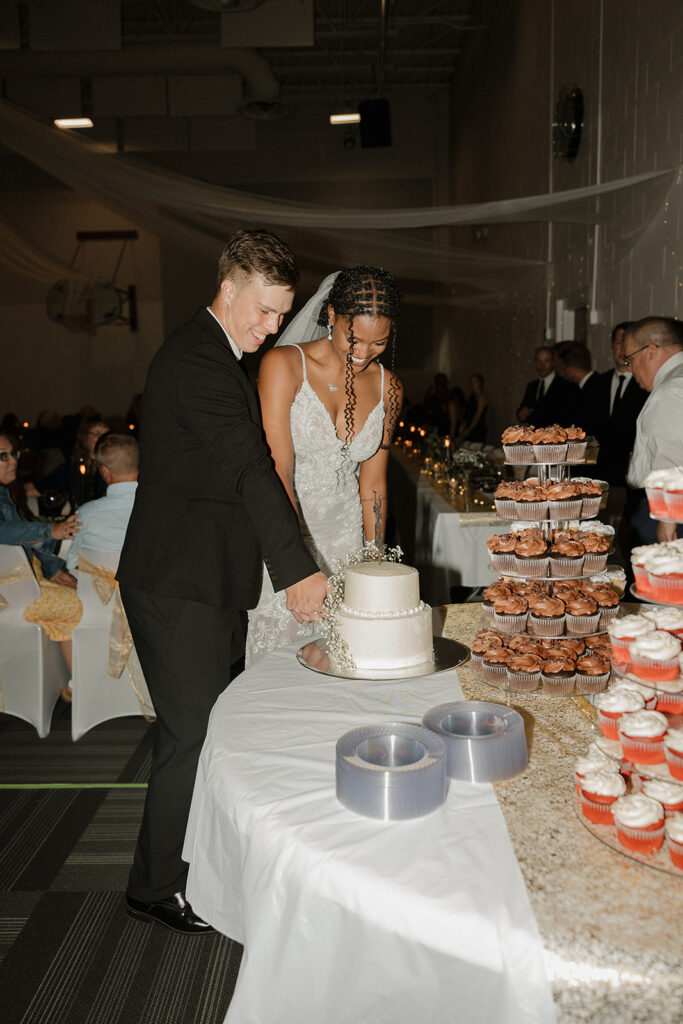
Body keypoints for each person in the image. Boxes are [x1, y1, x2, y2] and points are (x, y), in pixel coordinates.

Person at [116, 229, 328, 935]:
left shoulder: (210, 352)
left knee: (201, 731)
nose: (270, 328)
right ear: (228, 287)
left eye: (280, 314)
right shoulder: (199, 361)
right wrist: (296, 570)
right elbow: (249, 469)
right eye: (263, 311)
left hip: (199, 576)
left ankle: (184, 863)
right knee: (192, 735)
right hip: (178, 582)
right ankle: (154, 887)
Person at [246, 266, 403, 665]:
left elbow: (373, 484)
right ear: (331, 314)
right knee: (280, 662)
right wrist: (295, 567)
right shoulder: (283, 366)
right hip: (287, 536)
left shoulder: (391, 388)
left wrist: (373, 558)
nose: (364, 354)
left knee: (345, 660)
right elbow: (277, 470)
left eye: (379, 344)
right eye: (355, 340)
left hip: (347, 538)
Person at [0, 432, 81, 690]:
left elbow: (18, 542)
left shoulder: (4, 494)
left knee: (75, 596)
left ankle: (70, 685)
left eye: (14, 454)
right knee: (80, 604)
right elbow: (5, 532)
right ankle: (77, 686)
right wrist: (50, 531)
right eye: (3, 456)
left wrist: (53, 568)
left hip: (18, 586)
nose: (13, 461)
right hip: (9, 595)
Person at [624, 316, 683, 544]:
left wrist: (667, 519)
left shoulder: (671, 389)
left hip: (668, 509)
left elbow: (675, 459)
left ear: (650, 351)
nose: (630, 370)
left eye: (630, 359)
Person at [65, 433, 139, 572]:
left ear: (105, 472)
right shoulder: (161, 508)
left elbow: (72, 562)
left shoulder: (86, 513)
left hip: (95, 592)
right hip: (146, 591)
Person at [593, 321, 647, 489]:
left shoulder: (645, 385)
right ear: (611, 346)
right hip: (599, 471)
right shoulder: (599, 382)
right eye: (618, 343)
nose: (622, 350)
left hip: (630, 474)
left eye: (627, 344)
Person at [27, 415, 109, 510]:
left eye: (106, 434)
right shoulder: (73, 467)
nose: (103, 439)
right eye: (97, 433)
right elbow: (37, 488)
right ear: (84, 437)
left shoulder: (115, 465)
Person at [516, 344, 574, 427]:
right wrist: (521, 414)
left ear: (554, 362)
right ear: (535, 363)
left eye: (546, 361)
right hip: (536, 437)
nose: (542, 366)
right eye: (539, 361)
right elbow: (524, 409)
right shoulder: (532, 386)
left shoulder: (565, 385)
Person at [554, 341, 600, 434]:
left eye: (557, 365)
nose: (556, 369)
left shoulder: (595, 390)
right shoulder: (589, 385)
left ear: (569, 370)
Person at [461, 373, 488, 443]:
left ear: (480, 383)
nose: (473, 383)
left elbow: (477, 416)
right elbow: (467, 413)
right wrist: (464, 427)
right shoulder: (471, 396)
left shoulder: (482, 397)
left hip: (477, 428)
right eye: (471, 381)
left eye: (475, 381)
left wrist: (468, 429)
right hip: (469, 426)